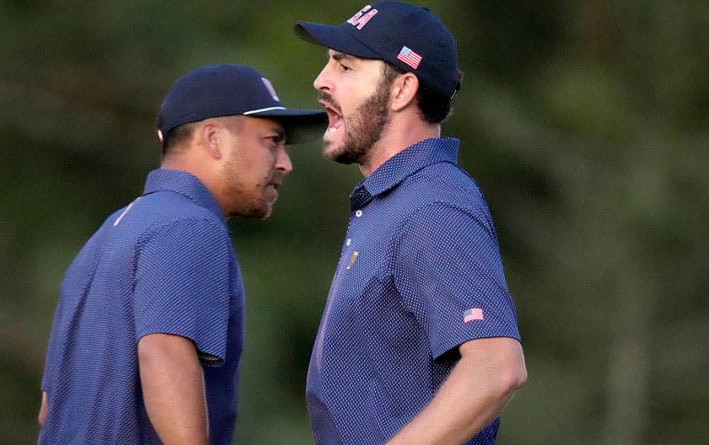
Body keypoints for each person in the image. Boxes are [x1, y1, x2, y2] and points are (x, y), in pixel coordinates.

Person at [36, 64, 327, 445]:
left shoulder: (110, 232)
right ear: (213, 138)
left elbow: (49, 408)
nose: (285, 163)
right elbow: (163, 354)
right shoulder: (189, 224)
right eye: (272, 140)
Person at [293, 2, 527, 444]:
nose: (321, 81)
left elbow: (497, 365)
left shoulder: (433, 205)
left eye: (344, 66)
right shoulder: (394, 201)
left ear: (401, 90)